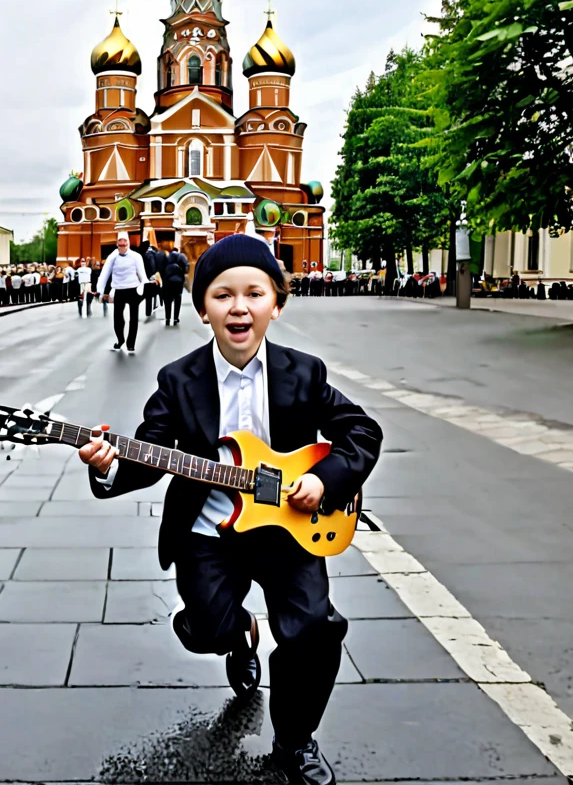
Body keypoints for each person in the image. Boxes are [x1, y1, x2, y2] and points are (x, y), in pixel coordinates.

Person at [78, 234, 383, 785]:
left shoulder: (304, 373)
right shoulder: (178, 380)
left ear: (276, 303)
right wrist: (107, 464)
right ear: (202, 309)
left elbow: (361, 431)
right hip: (209, 530)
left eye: (254, 293)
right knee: (204, 629)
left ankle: (294, 741)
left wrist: (323, 478)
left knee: (313, 631)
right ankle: (236, 633)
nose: (239, 307)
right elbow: (153, 452)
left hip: (289, 529)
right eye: (222, 295)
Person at [96, 233, 149, 353]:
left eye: (124, 241)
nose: (122, 244)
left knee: (133, 318)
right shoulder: (112, 257)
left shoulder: (136, 256)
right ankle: (120, 339)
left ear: (128, 243)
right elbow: (104, 274)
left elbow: (142, 275)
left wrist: (146, 286)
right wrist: (100, 291)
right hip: (119, 290)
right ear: (116, 244)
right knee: (118, 318)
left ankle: (131, 344)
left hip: (133, 289)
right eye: (120, 242)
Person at [158, 241, 188, 326]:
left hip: (168, 281)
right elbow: (186, 268)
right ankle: (175, 318)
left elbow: (161, 267)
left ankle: (167, 318)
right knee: (177, 299)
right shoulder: (181, 256)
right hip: (178, 282)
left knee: (167, 301)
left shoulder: (167, 257)